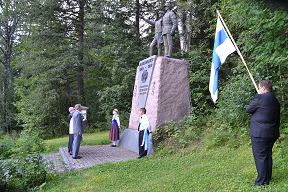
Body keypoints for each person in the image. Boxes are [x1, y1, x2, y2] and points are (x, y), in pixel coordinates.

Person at [246, 80, 280, 186]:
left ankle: (261, 182)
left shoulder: (259, 98)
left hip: (260, 133)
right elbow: (278, 118)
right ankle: (267, 178)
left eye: (259, 88)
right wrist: (277, 133)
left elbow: (248, 109)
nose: (259, 90)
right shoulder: (276, 100)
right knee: (267, 155)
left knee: (260, 157)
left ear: (263, 88)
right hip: (272, 133)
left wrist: (258, 99)